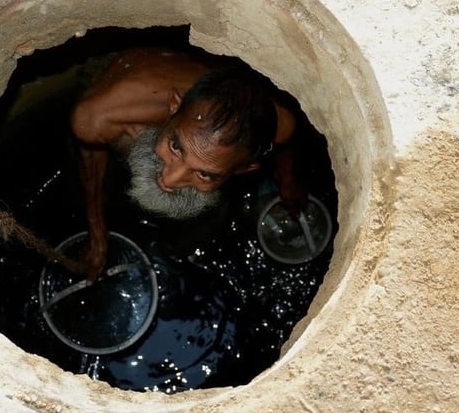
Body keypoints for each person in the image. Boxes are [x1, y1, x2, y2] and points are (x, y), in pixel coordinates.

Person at [70, 47, 307, 280]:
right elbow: (89, 156)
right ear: (174, 106)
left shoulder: (281, 125)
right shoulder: (98, 119)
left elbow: (281, 144)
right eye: (175, 146)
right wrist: (97, 227)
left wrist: (287, 178)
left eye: (205, 174)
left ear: (244, 169)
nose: (169, 180)